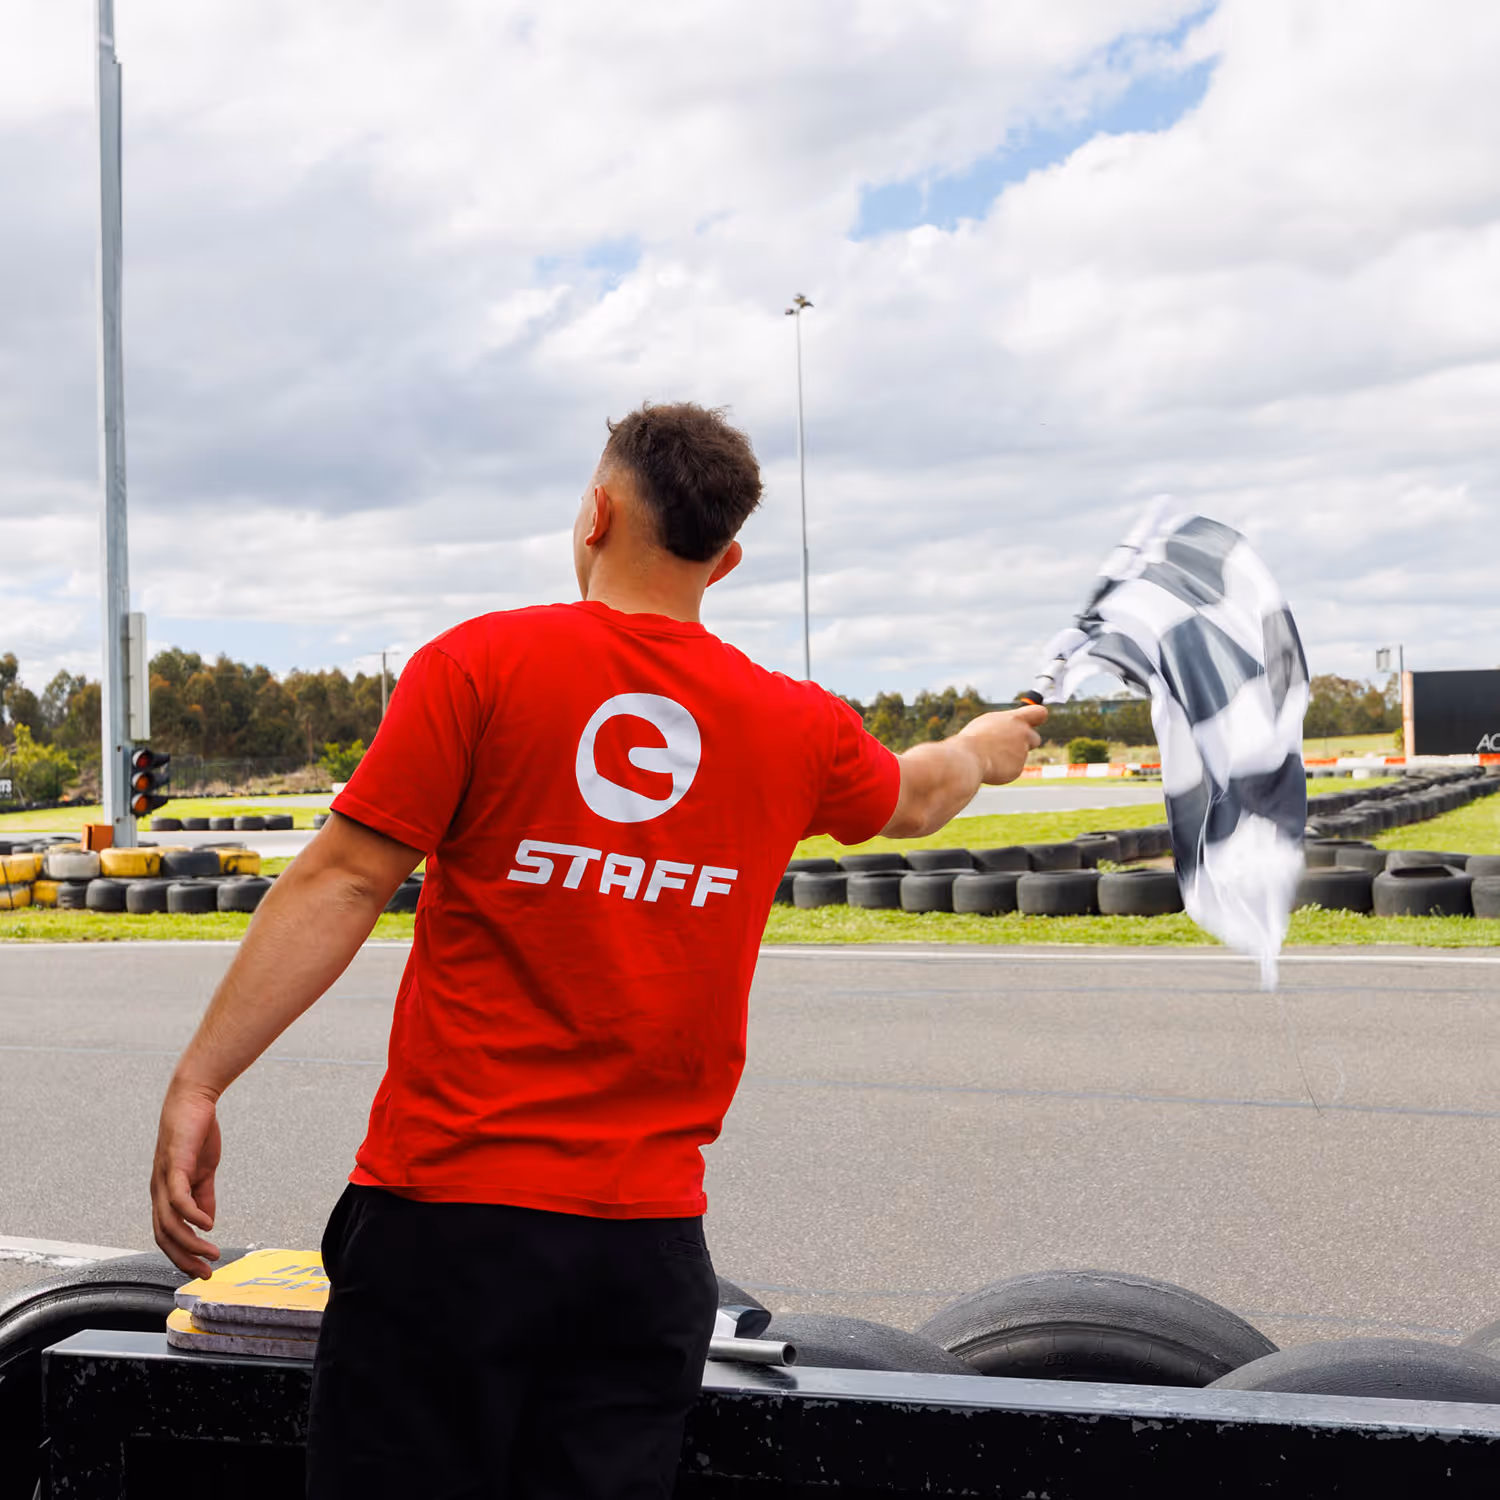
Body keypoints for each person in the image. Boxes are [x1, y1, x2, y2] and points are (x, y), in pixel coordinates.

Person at [150, 401, 1047, 1499]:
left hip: (446, 1230)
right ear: (726, 558)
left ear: (595, 514)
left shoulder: (479, 666)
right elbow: (914, 800)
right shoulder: (795, 724)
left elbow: (341, 880)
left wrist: (201, 1079)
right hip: (644, 1254)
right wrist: (980, 750)